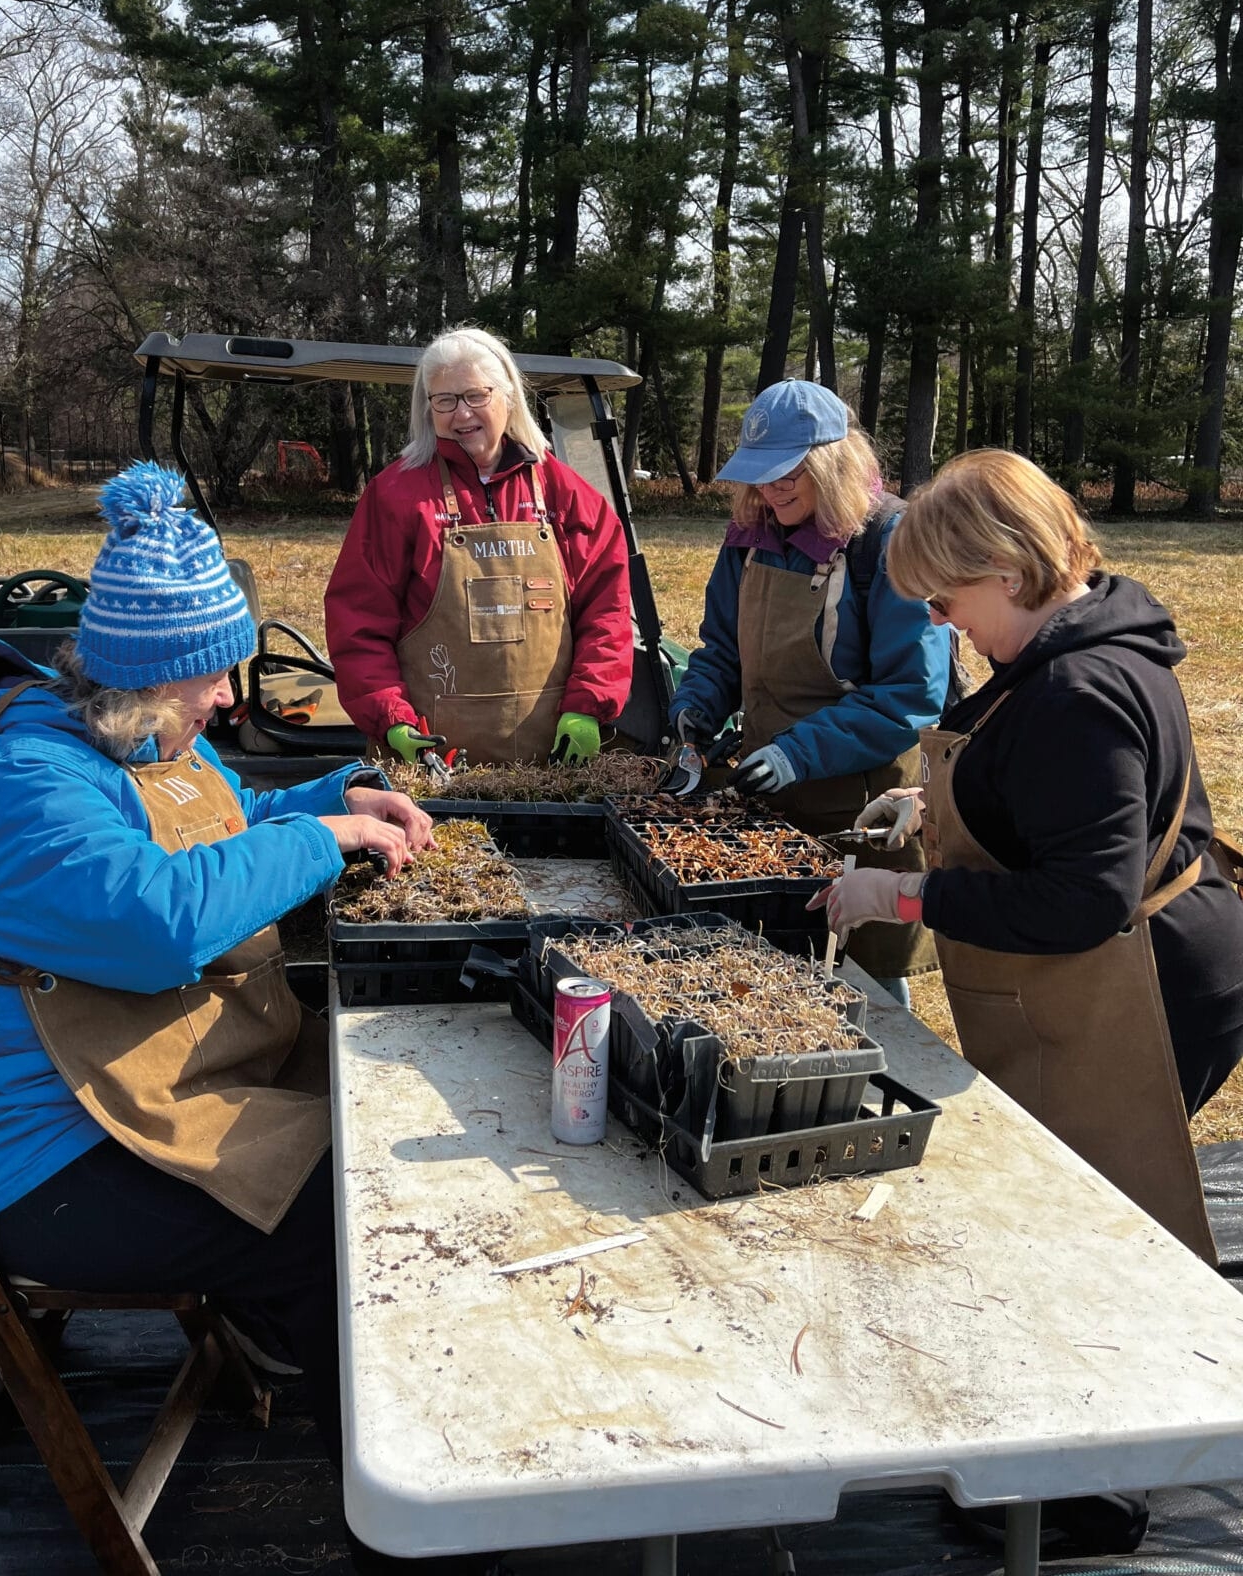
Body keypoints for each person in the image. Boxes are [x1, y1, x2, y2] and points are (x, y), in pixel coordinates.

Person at [0, 461, 435, 1484]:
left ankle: (293, 1338)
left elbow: (230, 825)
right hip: (48, 1159)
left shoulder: (147, 740)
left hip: (143, 1099)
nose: (229, 696)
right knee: (342, 1213)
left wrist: (348, 791)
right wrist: (326, 837)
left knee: (362, 1139)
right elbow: (159, 921)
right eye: (213, 675)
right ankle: (391, 1497)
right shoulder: (32, 777)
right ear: (148, 675)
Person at [820, 447, 1243, 1560]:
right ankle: (1059, 1464)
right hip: (1121, 965)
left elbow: (1080, 902)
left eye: (950, 603)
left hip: (1144, 988)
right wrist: (940, 796)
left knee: (1091, 1238)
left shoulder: (1080, 690)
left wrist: (902, 891)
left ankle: (1092, 1499)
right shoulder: (1071, 639)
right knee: (1070, 1225)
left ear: (1005, 569)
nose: (949, 626)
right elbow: (1029, 775)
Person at [665, 380, 951, 1002]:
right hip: (773, 798)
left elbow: (908, 695)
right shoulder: (748, 536)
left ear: (834, 459)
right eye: (761, 472)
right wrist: (694, 713)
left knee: (866, 982)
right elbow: (722, 652)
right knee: (777, 972)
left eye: (791, 469)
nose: (773, 487)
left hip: (862, 806)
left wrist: (800, 753)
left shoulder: (888, 539)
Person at [325, 325, 633, 767]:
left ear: (508, 397)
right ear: (427, 409)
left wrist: (589, 705)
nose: (460, 413)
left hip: (553, 759)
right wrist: (391, 718)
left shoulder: (565, 494)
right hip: (430, 759)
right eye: (444, 401)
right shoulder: (395, 496)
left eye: (475, 395)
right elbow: (357, 621)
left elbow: (607, 613)